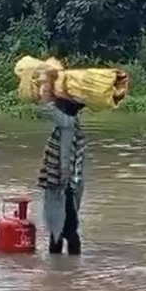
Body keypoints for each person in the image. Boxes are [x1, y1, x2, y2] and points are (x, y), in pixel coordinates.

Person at [37, 98, 87, 255]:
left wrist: (63, 180)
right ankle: (61, 271)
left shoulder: (67, 125)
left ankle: (69, 270)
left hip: (64, 184)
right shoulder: (70, 123)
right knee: (57, 229)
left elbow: (65, 157)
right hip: (66, 183)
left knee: (68, 230)